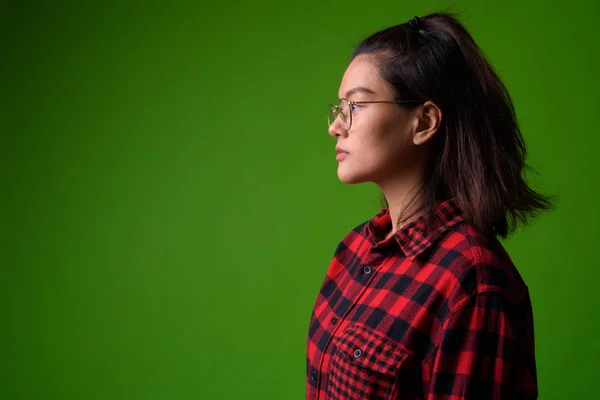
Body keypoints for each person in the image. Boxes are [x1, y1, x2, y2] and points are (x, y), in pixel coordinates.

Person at [306, 12, 555, 400]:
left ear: (423, 122)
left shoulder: (473, 283)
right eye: (339, 107)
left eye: (355, 106)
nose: (336, 126)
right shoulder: (353, 251)